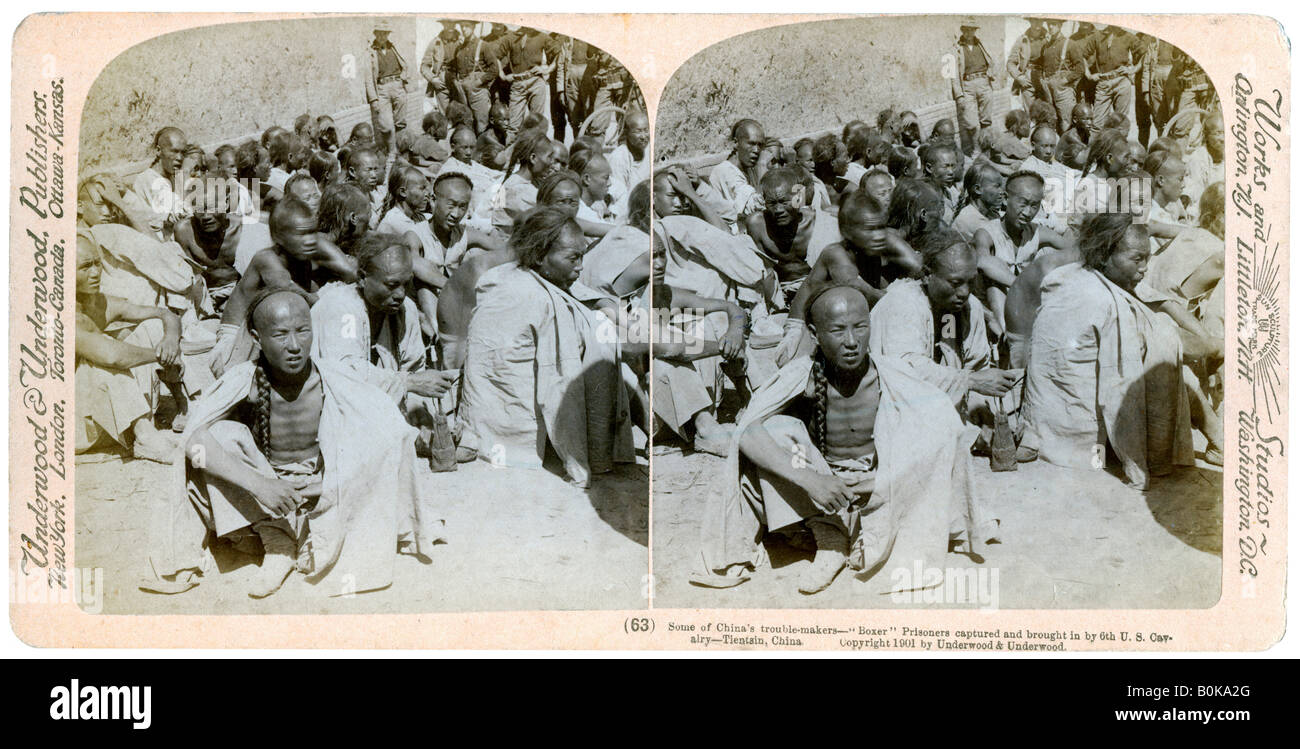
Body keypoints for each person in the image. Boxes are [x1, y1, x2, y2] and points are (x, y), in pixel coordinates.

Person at [693, 280, 995, 593]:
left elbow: (943, 431)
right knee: (781, 430)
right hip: (818, 488)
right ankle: (830, 540)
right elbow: (749, 430)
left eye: (860, 327)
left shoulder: (891, 376)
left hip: (879, 487)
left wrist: (881, 480)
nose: (851, 341)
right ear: (815, 335)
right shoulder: (802, 377)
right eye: (838, 331)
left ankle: (852, 533)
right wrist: (811, 479)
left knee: (930, 434)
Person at [146, 286, 444, 598]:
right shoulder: (243, 383)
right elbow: (192, 443)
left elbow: (389, 437)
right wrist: (261, 485)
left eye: (302, 331)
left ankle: (287, 537)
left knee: (372, 441)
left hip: (323, 490)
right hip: (264, 494)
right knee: (221, 437)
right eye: (280, 335)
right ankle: (277, 543)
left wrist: (328, 484)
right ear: (257, 338)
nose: (294, 346)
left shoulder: (334, 381)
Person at [459, 206, 634, 486]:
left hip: (486, 426)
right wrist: (578, 463)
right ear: (541, 255)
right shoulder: (533, 297)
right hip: (519, 431)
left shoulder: (509, 277)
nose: (580, 266)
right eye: (573, 258)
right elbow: (559, 384)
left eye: (582, 257)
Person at [1022, 212, 1194, 489]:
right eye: (1137, 259)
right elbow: (1120, 388)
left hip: (1047, 426)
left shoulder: (1066, 277)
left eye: (1147, 259)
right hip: (1086, 440)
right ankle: (1158, 456)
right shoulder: (1103, 301)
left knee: (1160, 333)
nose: (1144, 268)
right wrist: (1137, 467)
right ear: (1104, 254)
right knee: (1162, 337)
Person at [869, 230, 1021, 424]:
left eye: (971, 281)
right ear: (926, 275)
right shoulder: (903, 304)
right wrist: (971, 381)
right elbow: (907, 374)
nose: (964, 292)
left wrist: (978, 408)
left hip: (944, 412)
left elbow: (976, 365)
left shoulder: (966, 307)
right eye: (955, 283)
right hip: (900, 411)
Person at [212, 199, 356, 377]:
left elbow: (352, 273)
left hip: (277, 333)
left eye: (312, 232)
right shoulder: (266, 260)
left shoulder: (305, 250)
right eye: (301, 234)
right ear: (279, 237)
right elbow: (302, 300)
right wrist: (331, 291)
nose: (310, 240)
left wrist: (318, 243)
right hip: (238, 342)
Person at [74, 233, 186, 463]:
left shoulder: (99, 302)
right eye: (85, 267)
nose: (96, 272)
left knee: (154, 326)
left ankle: (180, 405)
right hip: (75, 427)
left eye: (97, 263)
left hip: (111, 417)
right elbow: (112, 356)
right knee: (105, 357)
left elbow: (165, 314)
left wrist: (170, 342)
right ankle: (144, 437)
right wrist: (161, 355)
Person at [651, 230, 746, 457]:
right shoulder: (627, 302)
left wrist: (735, 333)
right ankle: (705, 428)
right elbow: (672, 348)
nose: (659, 264)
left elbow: (733, 308)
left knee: (715, 319)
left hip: (682, 405)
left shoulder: (666, 294)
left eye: (662, 255)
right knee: (668, 353)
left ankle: (737, 405)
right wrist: (726, 349)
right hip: (649, 414)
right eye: (651, 257)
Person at [972, 170, 1072, 335]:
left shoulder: (1036, 232)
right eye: (1023, 203)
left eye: (1034, 205)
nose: (1028, 212)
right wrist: (1021, 284)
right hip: (992, 309)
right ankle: (1006, 338)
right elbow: (983, 261)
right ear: (1005, 199)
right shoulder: (986, 232)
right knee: (994, 284)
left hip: (1023, 304)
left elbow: (1075, 251)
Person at [743, 167, 839, 295]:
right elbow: (761, 271)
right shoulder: (757, 225)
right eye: (772, 203)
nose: (778, 210)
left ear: (798, 198)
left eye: (784, 202)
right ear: (764, 201)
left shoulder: (821, 223)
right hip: (778, 294)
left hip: (818, 290)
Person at [1081, 24, 1145, 136]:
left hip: (1121, 82)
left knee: (1120, 123)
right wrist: (1089, 75)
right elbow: (1082, 56)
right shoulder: (1097, 36)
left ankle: (1118, 151)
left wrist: (1133, 70)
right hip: (1103, 83)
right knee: (1097, 125)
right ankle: (1096, 151)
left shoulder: (1128, 36)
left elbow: (1145, 53)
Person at [132, 126, 192, 242]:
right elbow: (179, 212)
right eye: (174, 151)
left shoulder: (174, 177)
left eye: (183, 152)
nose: (179, 158)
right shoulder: (147, 180)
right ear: (158, 151)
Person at [498, 26, 558, 139]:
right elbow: (496, 56)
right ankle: (511, 154)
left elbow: (558, 52)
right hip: (517, 84)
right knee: (513, 126)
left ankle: (535, 153)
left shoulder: (542, 36)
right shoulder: (511, 37)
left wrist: (547, 69)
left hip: (536, 81)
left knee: (536, 124)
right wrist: (502, 75)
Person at [366, 22, 412, 155]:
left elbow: (406, 64)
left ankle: (401, 150)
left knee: (401, 122)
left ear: (388, 35)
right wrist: (373, 99)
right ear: (375, 34)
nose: (382, 36)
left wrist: (404, 77)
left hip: (398, 86)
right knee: (386, 125)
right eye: (379, 33)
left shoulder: (394, 47)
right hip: (382, 89)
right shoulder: (370, 51)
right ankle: (392, 152)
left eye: (385, 33)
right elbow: (368, 77)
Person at [952, 18, 995, 156]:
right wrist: (959, 95)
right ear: (962, 30)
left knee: (986, 120)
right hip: (968, 85)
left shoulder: (982, 44)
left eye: (972, 29)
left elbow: (992, 61)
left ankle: (987, 149)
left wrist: (990, 75)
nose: (969, 32)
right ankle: (977, 149)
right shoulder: (957, 48)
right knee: (971, 123)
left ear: (975, 31)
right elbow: (953, 73)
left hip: (984, 82)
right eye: (966, 29)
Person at [606, 109, 651, 210]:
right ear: (626, 133)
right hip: (628, 208)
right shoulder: (618, 158)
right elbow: (619, 197)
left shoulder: (651, 150)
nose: (644, 136)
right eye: (638, 131)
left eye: (646, 130)